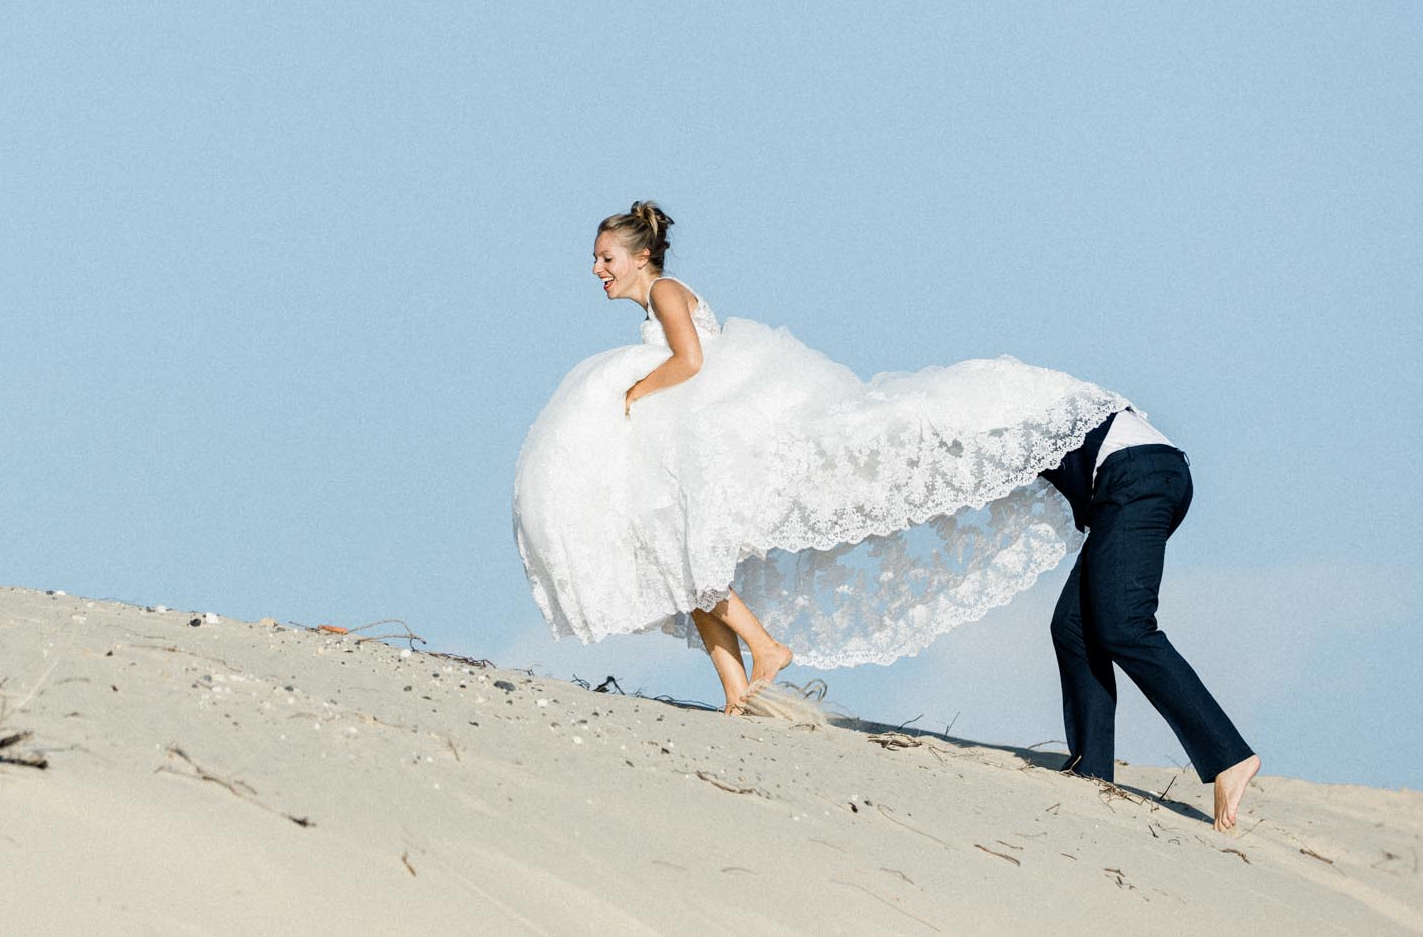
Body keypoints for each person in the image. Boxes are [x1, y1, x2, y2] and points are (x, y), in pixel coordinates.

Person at [512, 201, 1133, 716]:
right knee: (683, 568)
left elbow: (691, 360)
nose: (597, 269)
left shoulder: (667, 291)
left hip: (709, 435)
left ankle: (768, 647)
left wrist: (632, 394)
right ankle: (736, 695)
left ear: (640, 255)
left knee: (685, 565)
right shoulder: (656, 298)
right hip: (693, 435)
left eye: (606, 258)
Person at [1041, 412, 1261, 830]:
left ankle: (1230, 755)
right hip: (1133, 478)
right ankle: (1091, 772)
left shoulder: (990, 410)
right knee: (1073, 626)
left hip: (1136, 475)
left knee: (1126, 626)